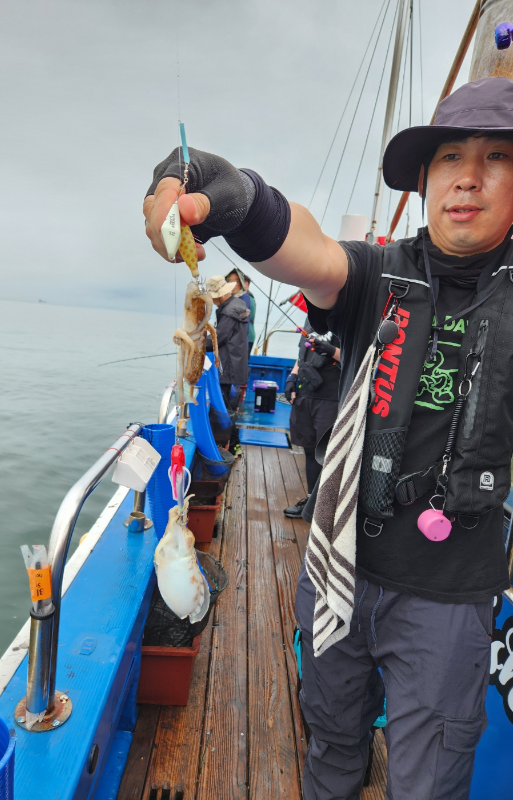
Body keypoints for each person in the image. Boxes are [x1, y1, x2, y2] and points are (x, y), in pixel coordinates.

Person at [144, 77, 513, 799]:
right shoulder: (377, 273)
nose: (468, 177)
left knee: (429, 784)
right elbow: (304, 245)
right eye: (450, 157)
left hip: (448, 601)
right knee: (332, 750)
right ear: (425, 177)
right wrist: (234, 199)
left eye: (497, 157)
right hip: (339, 568)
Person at [283, 322, 340, 519]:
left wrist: (331, 350)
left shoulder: (346, 319)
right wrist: (292, 377)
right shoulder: (311, 320)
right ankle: (311, 501)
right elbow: (302, 355)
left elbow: (357, 360)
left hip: (331, 397)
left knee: (326, 452)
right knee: (309, 450)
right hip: (306, 392)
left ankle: (326, 506)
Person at [205, 274, 250, 455]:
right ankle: (232, 445)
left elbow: (218, 338)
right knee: (227, 407)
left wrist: (195, 342)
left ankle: (229, 446)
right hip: (234, 364)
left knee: (223, 409)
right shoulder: (236, 306)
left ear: (220, 295)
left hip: (228, 366)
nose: (213, 301)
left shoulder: (229, 311)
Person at [225, 268, 257, 354]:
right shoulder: (239, 297)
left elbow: (245, 316)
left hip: (247, 336)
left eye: (237, 282)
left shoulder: (247, 298)